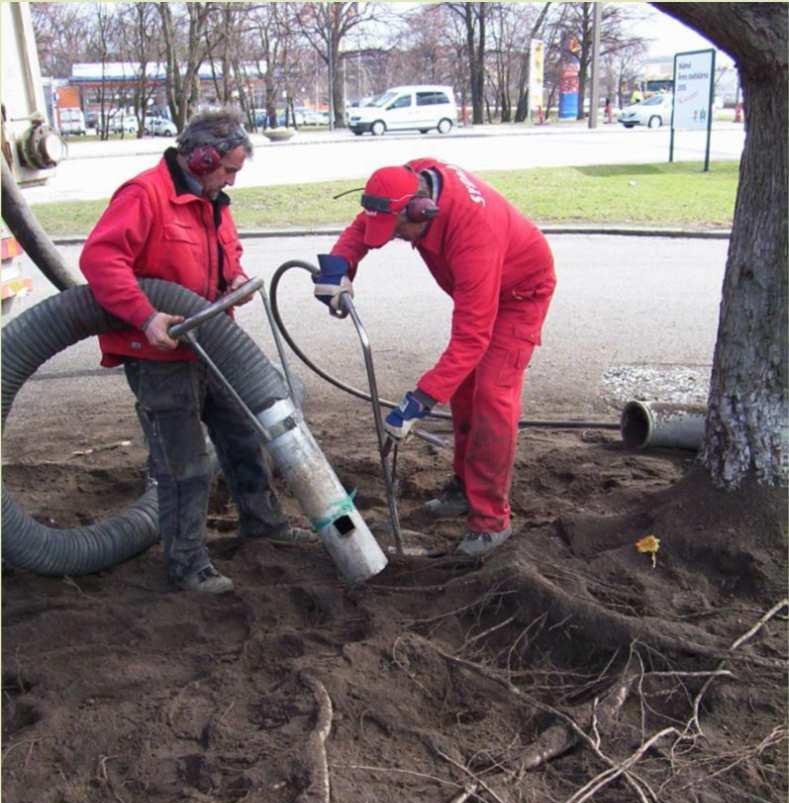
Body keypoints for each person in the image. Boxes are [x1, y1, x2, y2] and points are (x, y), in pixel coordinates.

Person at [80, 107, 310, 596]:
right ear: (201, 156)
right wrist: (146, 314)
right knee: (182, 464)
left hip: (210, 348)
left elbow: (227, 253)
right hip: (159, 355)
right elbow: (101, 259)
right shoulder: (145, 195)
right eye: (228, 169)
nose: (232, 180)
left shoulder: (212, 200)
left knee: (244, 436)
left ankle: (263, 524)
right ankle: (187, 563)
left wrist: (233, 282)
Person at [312, 160, 556, 557]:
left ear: (423, 212)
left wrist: (418, 402)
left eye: (398, 232)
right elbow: (365, 225)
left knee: (492, 396)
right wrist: (339, 268)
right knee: (462, 391)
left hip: (519, 295)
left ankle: (491, 523)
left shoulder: (474, 233)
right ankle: (464, 488)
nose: (394, 240)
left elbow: (472, 339)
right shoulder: (409, 183)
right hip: (477, 289)